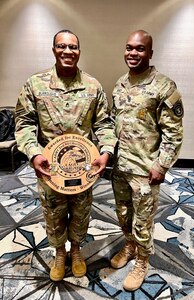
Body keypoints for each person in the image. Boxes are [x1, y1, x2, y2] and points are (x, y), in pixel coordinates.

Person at [15, 29, 116, 282]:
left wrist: (106, 151)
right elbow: (24, 122)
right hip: (49, 168)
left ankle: (77, 250)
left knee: (81, 211)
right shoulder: (35, 84)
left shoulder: (93, 87)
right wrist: (34, 153)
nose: (67, 51)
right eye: (62, 46)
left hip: (83, 167)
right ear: (54, 50)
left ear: (79, 52)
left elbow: (104, 123)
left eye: (73, 47)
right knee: (53, 212)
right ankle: (60, 252)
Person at [110, 30, 183, 291]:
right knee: (122, 214)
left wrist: (161, 165)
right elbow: (112, 123)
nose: (133, 53)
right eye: (129, 47)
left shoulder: (164, 86)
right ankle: (129, 246)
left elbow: (174, 132)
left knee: (143, 220)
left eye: (140, 49)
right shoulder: (120, 84)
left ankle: (142, 260)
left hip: (145, 171)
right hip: (120, 167)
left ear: (150, 53)